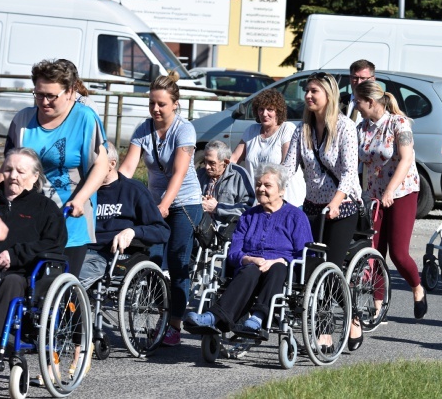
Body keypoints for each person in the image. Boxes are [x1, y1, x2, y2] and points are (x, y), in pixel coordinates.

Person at [4, 59, 108, 278]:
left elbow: (101, 164)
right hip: (27, 218)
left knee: (56, 289)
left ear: (70, 91)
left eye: (51, 96)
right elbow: (8, 167)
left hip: (69, 217)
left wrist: (81, 199)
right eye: (39, 94)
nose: (44, 101)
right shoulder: (22, 120)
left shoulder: (85, 119)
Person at [119, 71, 201, 347]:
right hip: (156, 205)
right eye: (152, 103)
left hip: (184, 203)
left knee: (178, 262)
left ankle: (174, 324)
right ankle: (161, 308)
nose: (155, 108)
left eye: (161, 104)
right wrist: (111, 191)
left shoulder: (184, 129)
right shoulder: (144, 129)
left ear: (175, 104)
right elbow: (128, 168)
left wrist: (165, 205)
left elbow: (179, 173)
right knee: (150, 258)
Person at [183, 163, 313, 335]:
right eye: (258, 184)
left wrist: (281, 260)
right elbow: (234, 251)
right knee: (250, 270)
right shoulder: (248, 216)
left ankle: (258, 318)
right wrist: (249, 259)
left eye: (267, 185)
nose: (261, 189)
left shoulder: (296, 216)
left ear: (281, 190)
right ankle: (214, 318)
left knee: (277, 268)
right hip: (250, 266)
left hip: (283, 269)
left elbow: (306, 253)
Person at [355, 80, 427, 325]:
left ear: (371, 102)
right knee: (373, 252)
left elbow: (406, 159)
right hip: (374, 194)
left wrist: (390, 191)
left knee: (398, 252)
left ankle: (417, 288)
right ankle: (378, 306)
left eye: (358, 102)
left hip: (402, 192)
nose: (356, 106)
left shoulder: (399, 123)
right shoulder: (362, 127)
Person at [0, 148, 67, 353]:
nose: (13, 176)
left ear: (35, 177)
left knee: (11, 282)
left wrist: (14, 255)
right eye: (8, 169)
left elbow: (53, 244)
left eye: (20, 172)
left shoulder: (46, 208)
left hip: (21, 275)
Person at [282, 71, 362, 270]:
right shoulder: (302, 129)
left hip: (342, 207)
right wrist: (271, 189)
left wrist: (335, 203)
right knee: (304, 265)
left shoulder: (346, 127)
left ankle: (337, 298)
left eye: (314, 91)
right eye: (307, 91)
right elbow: (288, 167)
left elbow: (350, 172)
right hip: (312, 206)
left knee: (329, 266)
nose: (308, 95)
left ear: (329, 95)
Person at [78, 142, 170, 290]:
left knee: (74, 276)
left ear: (111, 164)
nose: (89, 170)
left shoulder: (133, 191)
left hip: (111, 256)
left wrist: (133, 231)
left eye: (94, 165)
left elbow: (161, 231)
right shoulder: (84, 191)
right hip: (81, 250)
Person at [231, 89, 306, 207]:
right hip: (258, 203)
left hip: (287, 202)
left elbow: (286, 166)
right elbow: (233, 160)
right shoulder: (251, 130)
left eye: (270, 109)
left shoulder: (287, 129)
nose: (264, 113)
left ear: (278, 111)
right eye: (261, 109)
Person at [198, 140, 255, 224]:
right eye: (205, 161)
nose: (207, 167)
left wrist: (217, 208)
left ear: (226, 162)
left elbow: (248, 207)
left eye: (212, 163)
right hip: (202, 229)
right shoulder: (200, 174)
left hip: (228, 230)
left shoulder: (239, 175)